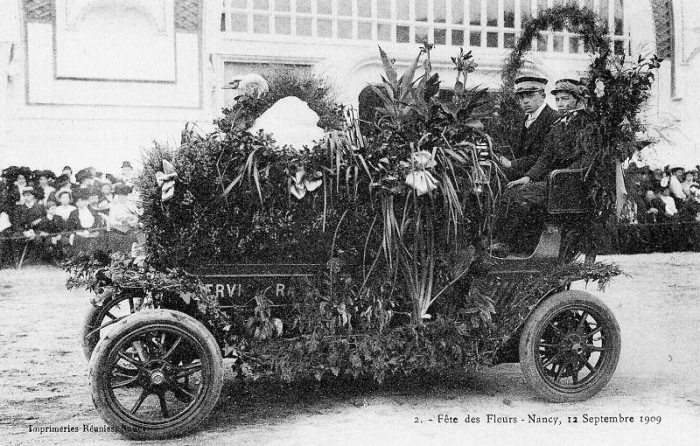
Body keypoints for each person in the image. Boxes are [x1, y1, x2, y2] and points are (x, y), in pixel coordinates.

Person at [492, 79, 592, 255]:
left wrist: (562, 175)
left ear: (577, 100)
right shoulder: (558, 125)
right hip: (552, 180)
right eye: (558, 100)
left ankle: (507, 243)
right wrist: (528, 177)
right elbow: (545, 157)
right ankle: (503, 242)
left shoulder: (586, 126)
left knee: (520, 195)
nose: (560, 104)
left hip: (568, 182)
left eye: (565, 99)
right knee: (513, 191)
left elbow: (586, 159)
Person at [497, 76, 559, 179]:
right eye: (521, 97)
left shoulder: (553, 118)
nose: (525, 101)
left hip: (541, 175)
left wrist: (511, 164)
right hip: (522, 171)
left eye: (530, 96)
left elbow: (543, 156)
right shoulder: (526, 118)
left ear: (543, 96)